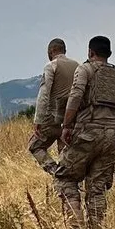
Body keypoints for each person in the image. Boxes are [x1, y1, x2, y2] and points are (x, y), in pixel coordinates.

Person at [53, 36, 115, 229]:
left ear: (90, 52)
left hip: (87, 133)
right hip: (112, 136)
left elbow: (75, 96)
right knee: (97, 187)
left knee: (65, 177)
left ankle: (76, 228)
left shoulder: (85, 69)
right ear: (109, 54)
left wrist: (67, 125)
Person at [30, 38, 80, 175]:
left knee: (35, 146)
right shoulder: (78, 66)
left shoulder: (51, 66)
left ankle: (55, 172)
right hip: (73, 119)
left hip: (53, 118)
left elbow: (44, 94)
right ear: (65, 50)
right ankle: (68, 178)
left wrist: (38, 120)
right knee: (65, 153)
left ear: (51, 51)